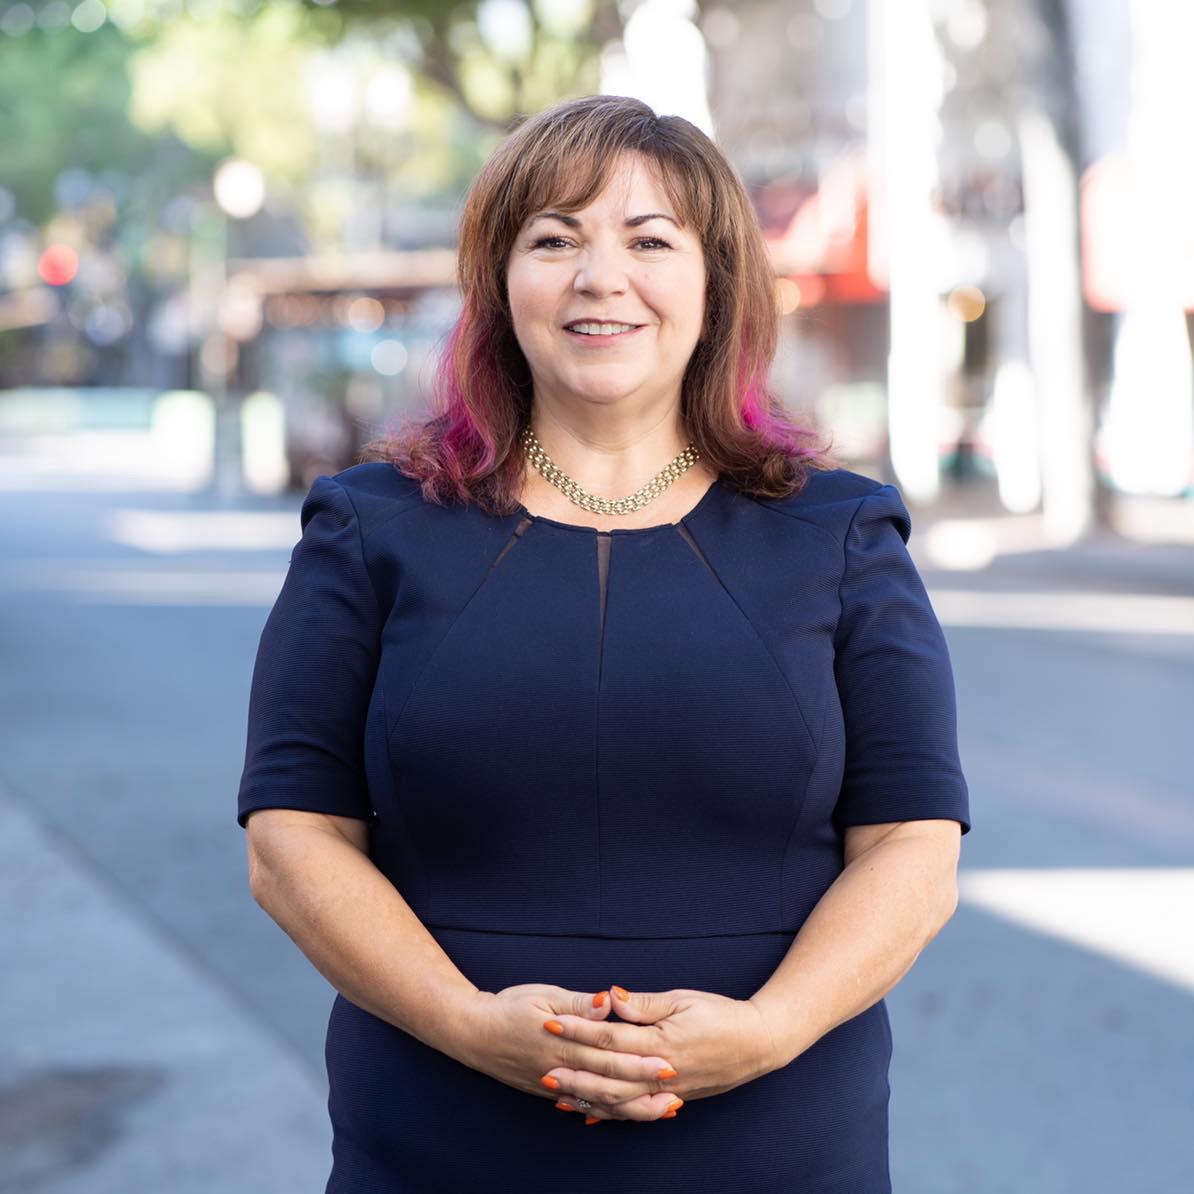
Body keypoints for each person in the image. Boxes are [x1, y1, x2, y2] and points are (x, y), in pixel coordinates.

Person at [237, 94, 970, 1192]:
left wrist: (768, 1030)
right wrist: (467, 1023)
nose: (600, 277)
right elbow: (292, 838)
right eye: (554, 240)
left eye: (650, 241)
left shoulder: (841, 533)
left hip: (776, 1144)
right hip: (440, 1138)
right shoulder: (369, 528)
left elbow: (913, 844)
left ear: (716, 280)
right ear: (499, 282)